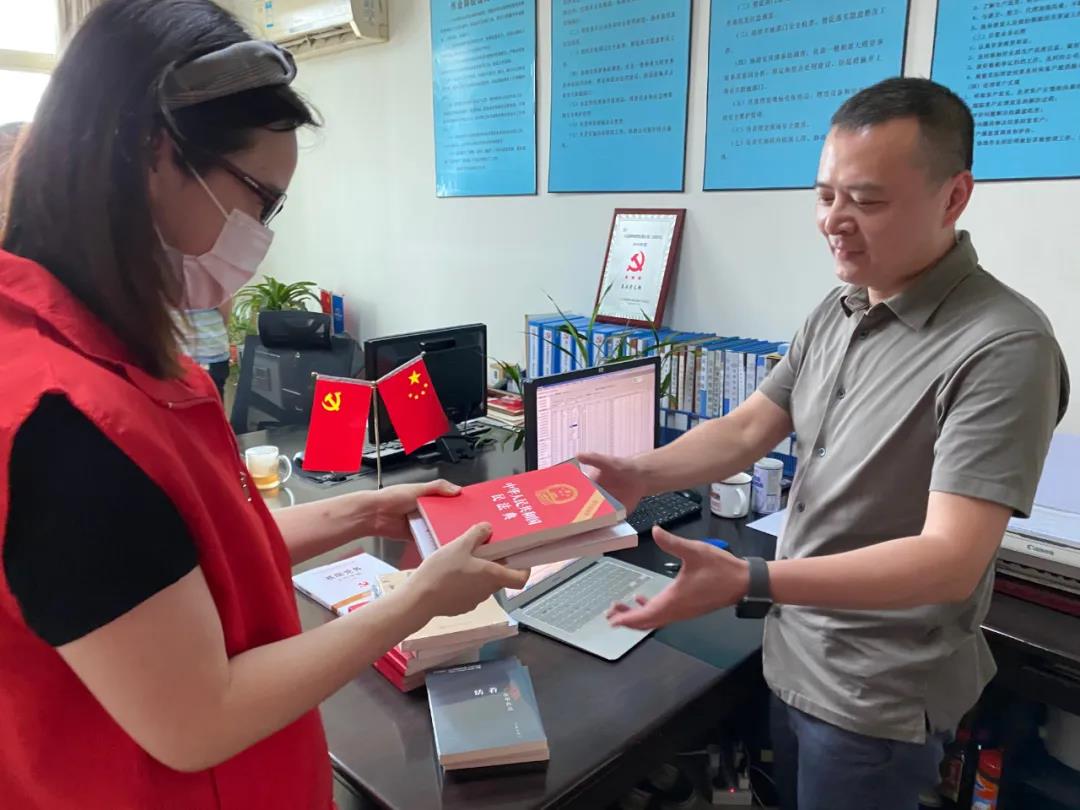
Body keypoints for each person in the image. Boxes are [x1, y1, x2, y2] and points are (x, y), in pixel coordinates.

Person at [0, 2, 527, 808]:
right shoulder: (63, 423)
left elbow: (192, 563)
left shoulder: (120, 351)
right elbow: (198, 718)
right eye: (260, 199)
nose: (260, 234)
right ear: (153, 149)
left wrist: (365, 511)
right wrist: (417, 600)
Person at [586, 78, 1070, 810]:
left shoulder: (1002, 346)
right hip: (793, 654)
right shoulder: (841, 307)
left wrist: (749, 581)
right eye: (825, 196)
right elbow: (749, 427)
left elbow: (949, 560)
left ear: (954, 197)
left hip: (874, 697)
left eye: (867, 201)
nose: (834, 222)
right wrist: (638, 472)